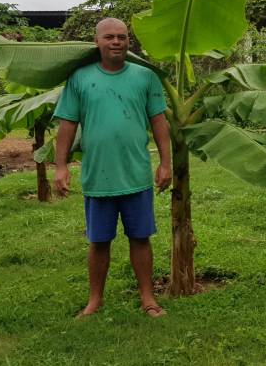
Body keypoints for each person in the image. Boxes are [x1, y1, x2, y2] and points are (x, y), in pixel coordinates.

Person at [53, 18, 171, 318]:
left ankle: (148, 298)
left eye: (122, 37)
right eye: (109, 37)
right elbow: (68, 124)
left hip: (136, 174)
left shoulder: (145, 77)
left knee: (140, 238)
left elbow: (159, 122)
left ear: (128, 42)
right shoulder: (80, 78)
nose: (116, 42)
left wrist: (165, 164)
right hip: (98, 177)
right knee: (99, 241)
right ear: (97, 42)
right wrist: (61, 166)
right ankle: (95, 300)